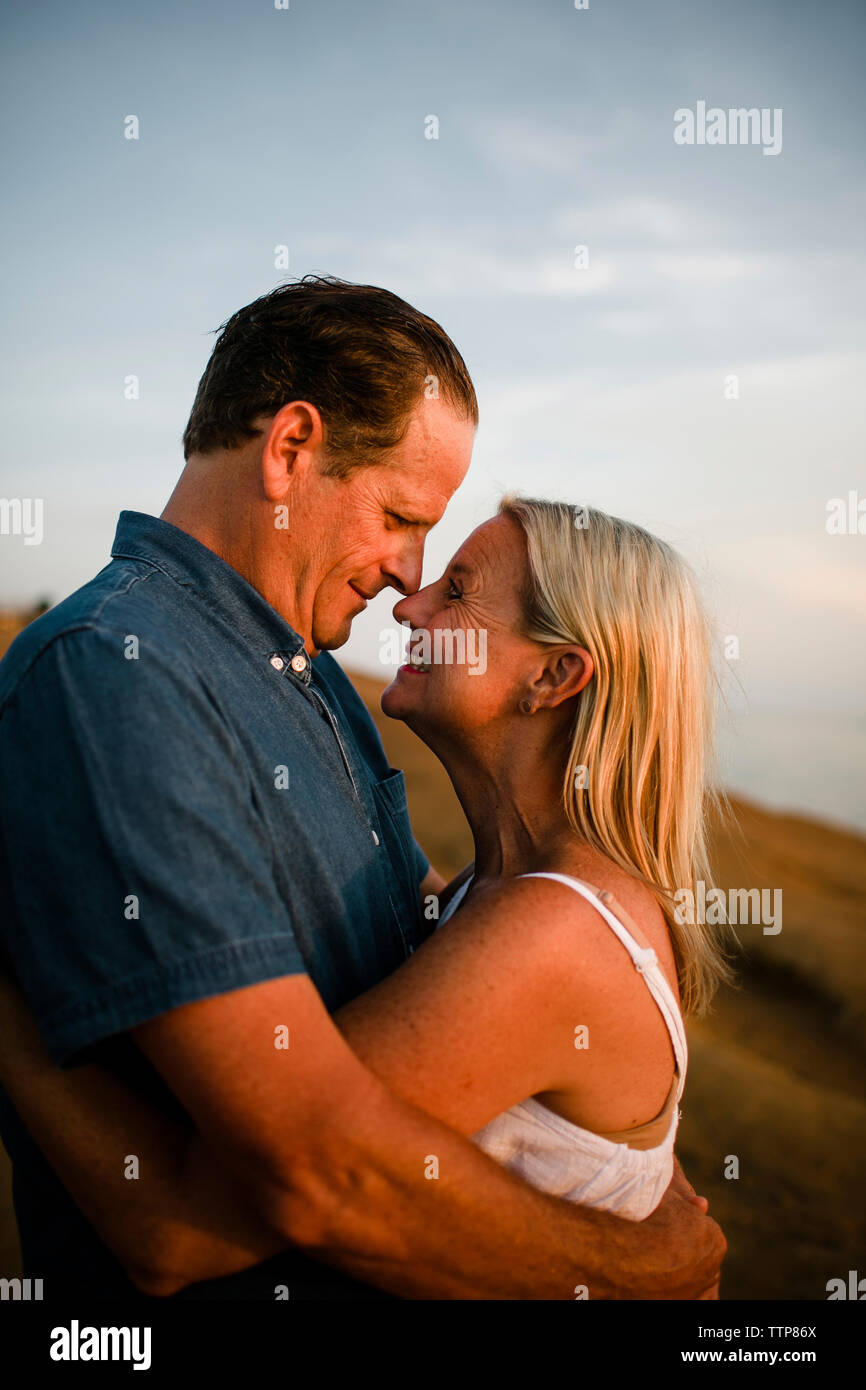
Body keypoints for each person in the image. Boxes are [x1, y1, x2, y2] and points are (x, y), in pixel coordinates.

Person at [0, 276, 725, 1300]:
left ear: (559, 676)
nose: (407, 581)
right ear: (291, 448)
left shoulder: (307, 677)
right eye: (398, 516)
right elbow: (252, 1192)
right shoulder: (122, 669)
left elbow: (475, 970)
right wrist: (630, 1261)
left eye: (450, 569)